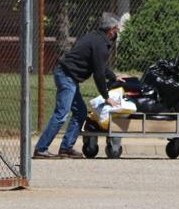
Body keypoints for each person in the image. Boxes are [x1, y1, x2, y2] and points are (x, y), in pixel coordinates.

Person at [33, 12, 127, 159]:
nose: (117, 34)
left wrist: (114, 77)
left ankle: (66, 148)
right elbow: (99, 74)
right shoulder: (99, 44)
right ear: (111, 30)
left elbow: (100, 66)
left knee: (80, 112)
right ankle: (41, 148)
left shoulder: (97, 39)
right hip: (66, 76)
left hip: (69, 77)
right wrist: (106, 96)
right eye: (117, 30)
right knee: (61, 114)